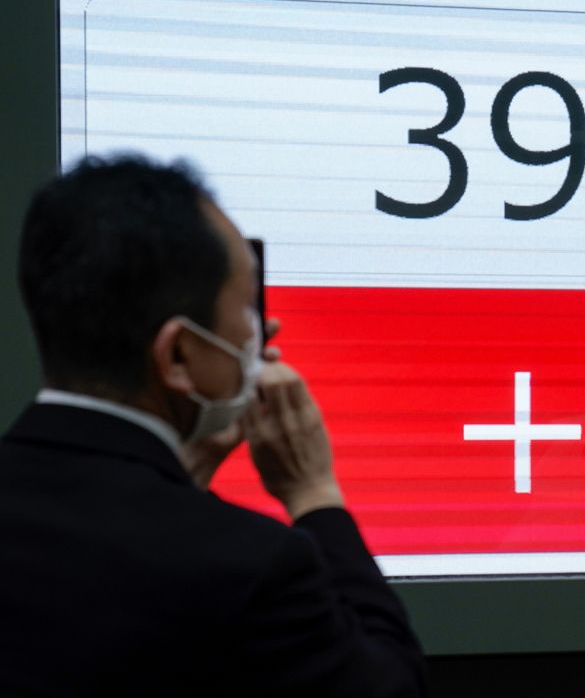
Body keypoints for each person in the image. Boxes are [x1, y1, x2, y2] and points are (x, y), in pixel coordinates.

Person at [0, 155, 427, 697]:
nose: (259, 332)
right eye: (247, 308)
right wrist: (313, 493)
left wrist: (180, 481)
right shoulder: (252, 565)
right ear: (178, 354)